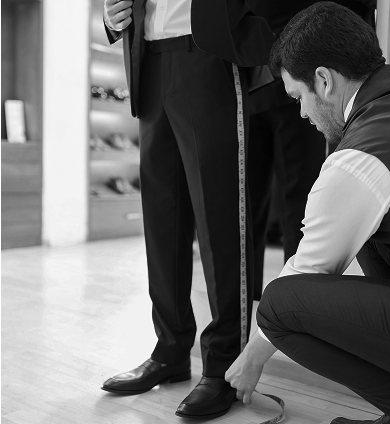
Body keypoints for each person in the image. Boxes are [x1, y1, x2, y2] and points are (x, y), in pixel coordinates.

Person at [225, 3, 390, 424]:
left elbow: (309, 268)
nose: (302, 113)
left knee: (279, 304)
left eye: (299, 97)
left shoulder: (360, 157)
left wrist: (251, 357)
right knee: (372, 229)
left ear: (324, 80)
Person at [99, 0, 275, 419]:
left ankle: (224, 364)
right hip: (148, 59)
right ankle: (171, 348)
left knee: (220, 217)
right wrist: (111, 17)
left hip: (208, 53)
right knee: (162, 219)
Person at [246, 0, 376, 300]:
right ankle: (260, 303)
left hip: (309, 59)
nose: (303, 111)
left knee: (302, 201)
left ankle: (297, 300)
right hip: (250, 74)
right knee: (248, 205)